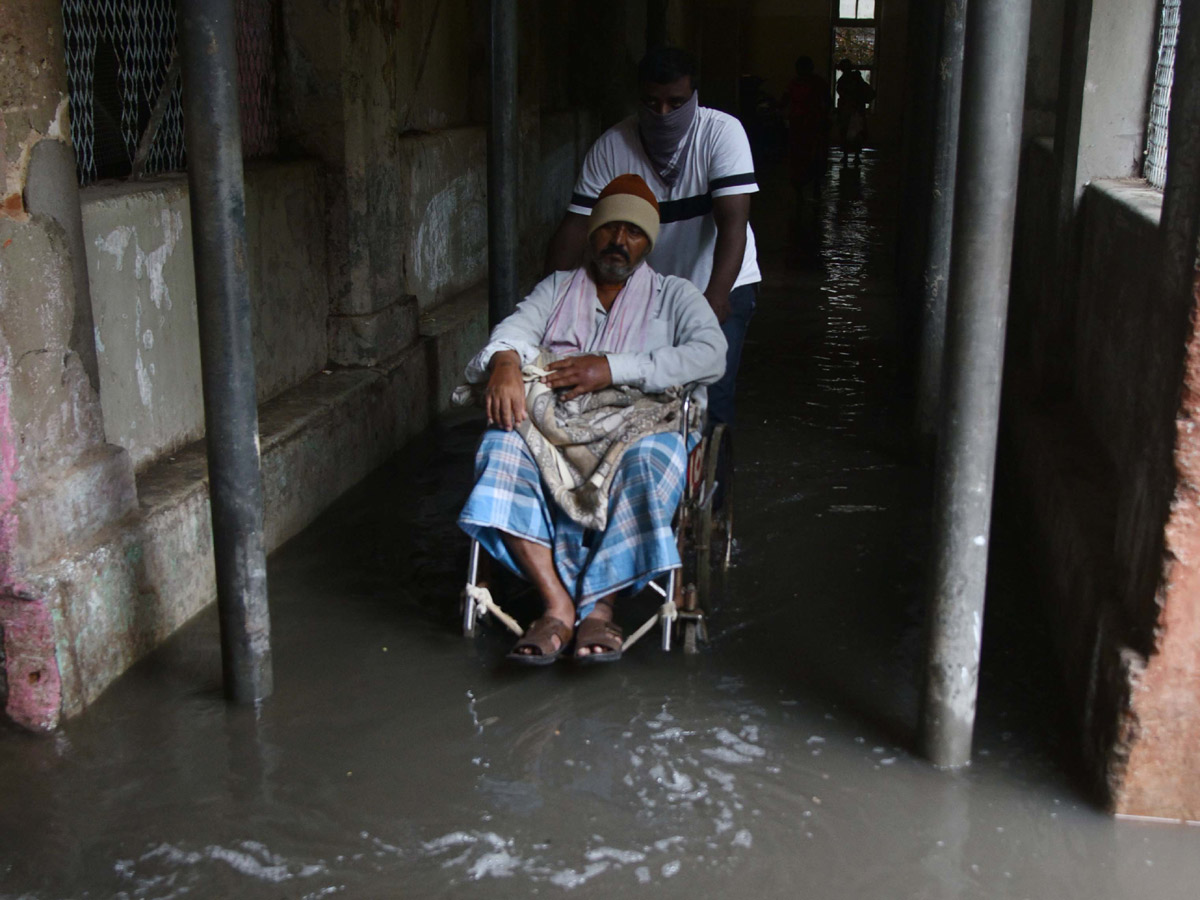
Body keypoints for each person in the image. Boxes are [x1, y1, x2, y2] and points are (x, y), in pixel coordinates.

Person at [458, 174, 727, 665]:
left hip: (638, 425)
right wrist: (505, 363)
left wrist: (611, 367)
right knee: (500, 445)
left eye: (634, 232)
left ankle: (600, 608)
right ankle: (556, 603)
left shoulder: (675, 296)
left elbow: (711, 356)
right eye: (610, 229)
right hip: (557, 425)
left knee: (654, 457)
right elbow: (512, 333)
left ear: (649, 242)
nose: (620, 241)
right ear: (592, 232)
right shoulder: (558, 288)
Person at [544, 46, 759, 427]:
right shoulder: (613, 147)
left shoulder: (721, 135)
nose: (663, 114)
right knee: (645, 395)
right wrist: (551, 297)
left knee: (711, 395)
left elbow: (733, 224)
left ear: (694, 96)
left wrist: (716, 299)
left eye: (675, 103)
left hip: (720, 280)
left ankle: (712, 482)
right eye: (651, 102)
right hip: (650, 290)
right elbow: (576, 227)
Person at [784, 56, 831, 200]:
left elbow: (827, 102)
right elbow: (785, 99)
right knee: (801, 156)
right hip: (800, 126)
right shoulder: (796, 83)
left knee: (813, 155)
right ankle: (801, 187)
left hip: (812, 125)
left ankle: (812, 185)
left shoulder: (816, 83)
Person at [835, 59, 874, 167]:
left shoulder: (845, 80)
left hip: (849, 111)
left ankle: (848, 155)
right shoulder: (856, 79)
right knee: (855, 134)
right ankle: (855, 156)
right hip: (856, 110)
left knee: (848, 133)